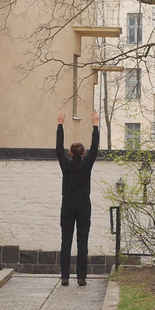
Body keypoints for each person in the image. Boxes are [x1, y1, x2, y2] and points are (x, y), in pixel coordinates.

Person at [56, 110, 99, 286]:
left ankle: (65, 277)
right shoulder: (86, 165)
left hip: (68, 205)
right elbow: (95, 148)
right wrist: (95, 124)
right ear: (82, 154)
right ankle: (81, 277)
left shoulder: (65, 165)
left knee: (66, 240)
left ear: (70, 153)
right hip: (83, 205)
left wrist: (60, 124)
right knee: (82, 241)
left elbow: (58, 149)